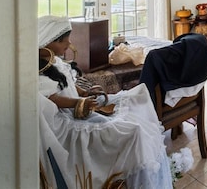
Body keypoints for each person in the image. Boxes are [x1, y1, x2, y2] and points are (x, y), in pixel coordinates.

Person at [37, 16, 172, 188]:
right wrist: (78, 103)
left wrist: (85, 92)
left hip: (80, 105)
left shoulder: (55, 62)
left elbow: (68, 85)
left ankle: (143, 168)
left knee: (138, 96)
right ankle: (135, 170)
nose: (69, 44)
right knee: (132, 130)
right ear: (47, 41)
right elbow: (51, 98)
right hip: (67, 118)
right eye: (64, 41)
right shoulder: (39, 71)